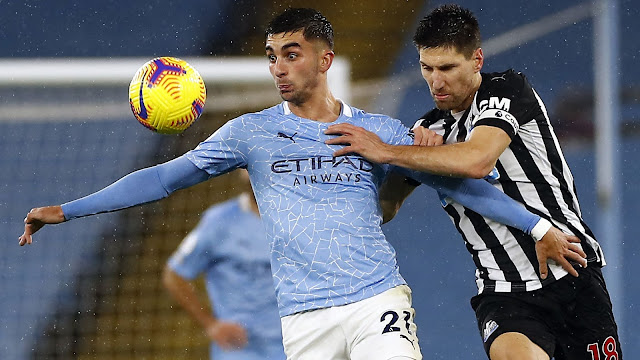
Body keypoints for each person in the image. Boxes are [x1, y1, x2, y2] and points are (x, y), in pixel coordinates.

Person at [19, 8, 580, 360]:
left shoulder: (381, 131)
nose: (279, 67)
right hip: (301, 318)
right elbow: (165, 178)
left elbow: (460, 187)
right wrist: (67, 210)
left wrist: (536, 226)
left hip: (374, 301)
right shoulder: (249, 134)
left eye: (292, 54)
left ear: (325, 59)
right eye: (271, 57)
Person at [325, 4, 621, 360]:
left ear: (476, 59)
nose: (436, 81)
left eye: (447, 67)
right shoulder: (427, 131)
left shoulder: (507, 89)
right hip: (503, 292)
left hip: (571, 269)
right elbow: (385, 210)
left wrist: (388, 151)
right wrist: (404, 164)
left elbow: (478, 159)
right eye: (426, 67)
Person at [162, 169, 285, 360]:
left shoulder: (297, 219)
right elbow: (174, 275)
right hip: (242, 350)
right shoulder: (219, 221)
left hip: (295, 344)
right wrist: (210, 323)